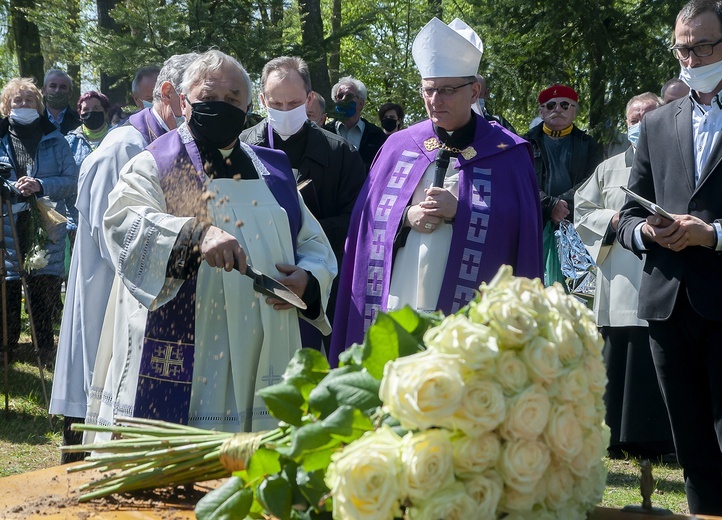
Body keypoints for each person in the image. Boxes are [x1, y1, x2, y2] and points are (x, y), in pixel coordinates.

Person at [85, 50, 336, 439]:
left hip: (264, 340)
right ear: (184, 102)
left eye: (233, 99)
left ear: (249, 106)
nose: (222, 107)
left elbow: (314, 243)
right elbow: (123, 223)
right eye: (209, 98)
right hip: (192, 344)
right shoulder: (157, 163)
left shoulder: (274, 171)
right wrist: (196, 235)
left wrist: (309, 277)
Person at [329, 18, 543, 364]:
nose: (434, 100)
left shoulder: (509, 153)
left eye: (447, 90)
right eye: (428, 89)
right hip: (400, 291)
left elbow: (523, 232)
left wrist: (462, 211)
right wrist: (405, 216)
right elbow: (366, 223)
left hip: (472, 303)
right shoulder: (399, 146)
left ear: (474, 92)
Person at [50, 53, 197, 463]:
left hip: (142, 294)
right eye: (193, 101)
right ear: (166, 95)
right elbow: (106, 230)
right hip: (108, 294)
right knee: (95, 405)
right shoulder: (125, 145)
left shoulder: (170, 143)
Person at [617, 0, 722, 513]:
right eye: (683, 47)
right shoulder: (656, 124)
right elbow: (626, 214)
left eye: (704, 45)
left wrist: (714, 235)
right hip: (666, 307)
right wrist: (648, 234)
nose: (692, 57)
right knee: (694, 452)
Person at [240, 56, 366, 351]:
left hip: (322, 288)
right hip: (255, 287)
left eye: (294, 104)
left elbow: (359, 220)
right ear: (261, 100)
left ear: (309, 99)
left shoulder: (341, 153)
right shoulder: (243, 148)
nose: (285, 111)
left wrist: (304, 236)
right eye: (276, 104)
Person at [574, 92, 674, 460]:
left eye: (648, 116)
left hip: (664, 275)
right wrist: (614, 220)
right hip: (620, 279)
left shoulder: (678, 160)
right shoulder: (609, 167)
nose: (639, 124)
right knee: (620, 359)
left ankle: (662, 442)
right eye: (633, 119)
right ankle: (614, 438)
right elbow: (582, 211)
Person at [0, 78, 76, 365]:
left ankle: (44, 347)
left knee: (43, 287)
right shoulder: (0, 137)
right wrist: (8, 188)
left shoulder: (56, 139)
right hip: (6, 222)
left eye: (29, 101)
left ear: (39, 105)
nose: (23, 105)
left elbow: (71, 181)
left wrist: (40, 184)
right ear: (6, 107)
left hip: (46, 224)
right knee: (6, 286)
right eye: (17, 101)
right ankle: (6, 349)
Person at [524, 84, 603, 227]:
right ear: (541, 112)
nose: (557, 109)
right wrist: (549, 205)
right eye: (550, 105)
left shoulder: (588, 144)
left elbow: (592, 179)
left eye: (565, 105)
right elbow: (521, 178)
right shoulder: (525, 142)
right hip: (534, 218)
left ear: (574, 112)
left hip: (574, 220)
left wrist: (562, 205)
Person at [324, 77, 386, 171]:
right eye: (340, 96)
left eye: (349, 96)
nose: (343, 99)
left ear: (361, 103)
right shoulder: (325, 133)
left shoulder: (376, 135)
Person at [41, 69, 81, 135]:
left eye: (63, 87)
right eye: (53, 86)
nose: (57, 90)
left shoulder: (79, 121)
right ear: (44, 91)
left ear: (70, 93)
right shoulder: (34, 120)